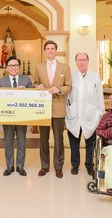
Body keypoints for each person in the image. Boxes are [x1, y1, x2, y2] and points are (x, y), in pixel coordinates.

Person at [33, 40, 72, 178]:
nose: (50, 51)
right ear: (45, 51)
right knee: (43, 139)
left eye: (52, 48)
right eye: (48, 48)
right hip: (43, 108)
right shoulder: (39, 67)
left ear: (56, 51)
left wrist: (59, 89)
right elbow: (35, 82)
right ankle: (44, 166)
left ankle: (58, 167)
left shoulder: (65, 67)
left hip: (59, 107)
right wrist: (38, 86)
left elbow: (69, 86)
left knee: (58, 139)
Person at [65, 52, 104, 176]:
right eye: (79, 60)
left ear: (88, 61)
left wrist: (100, 112)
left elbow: (99, 96)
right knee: (74, 141)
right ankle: (75, 165)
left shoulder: (95, 77)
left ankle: (89, 165)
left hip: (90, 115)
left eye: (84, 60)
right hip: (74, 115)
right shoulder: (71, 77)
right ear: (75, 62)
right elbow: (67, 96)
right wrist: (68, 110)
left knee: (90, 142)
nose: (81, 62)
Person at [0, 56, 33, 176]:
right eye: (11, 65)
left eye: (16, 65)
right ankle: (9, 166)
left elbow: (34, 96)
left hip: (22, 117)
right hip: (7, 117)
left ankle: (20, 166)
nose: (13, 67)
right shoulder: (1, 81)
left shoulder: (26, 80)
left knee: (22, 142)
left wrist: (27, 91)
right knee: (8, 142)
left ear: (19, 67)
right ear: (7, 68)